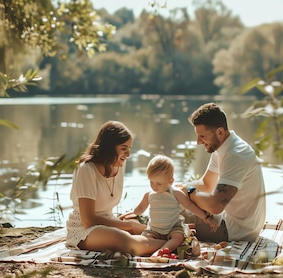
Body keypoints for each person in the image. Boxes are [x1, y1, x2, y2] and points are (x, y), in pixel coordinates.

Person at [65, 121, 165, 256]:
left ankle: (171, 239)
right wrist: (128, 226)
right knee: (122, 239)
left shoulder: (119, 165)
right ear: (109, 147)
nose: (128, 154)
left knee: (139, 224)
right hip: (84, 230)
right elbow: (88, 220)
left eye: (129, 148)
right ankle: (175, 246)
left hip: (109, 222)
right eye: (124, 148)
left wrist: (131, 224)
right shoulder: (86, 169)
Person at [181, 102, 266, 242]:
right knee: (174, 201)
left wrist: (190, 192)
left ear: (220, 132)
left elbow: (215, 206)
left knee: (170, 217)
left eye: (203, 136)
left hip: (236, 230)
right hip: (228, 221)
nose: (198, 142)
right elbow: (206, 183)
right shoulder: (222, 147)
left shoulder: (235, 156)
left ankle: (142, 236)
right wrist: (179, 188)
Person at [120, 155, 218, 257]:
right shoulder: (149, 195)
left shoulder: (175, 193)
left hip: (173, 228)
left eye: (158, 183)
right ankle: (157, 247)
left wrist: (206, 217)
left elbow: (190, 205)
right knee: (146, 238)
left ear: (170, 181)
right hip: (155, 229)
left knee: (178, 237)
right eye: (151, 182)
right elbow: (140, 208)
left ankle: (162, 250)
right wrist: (131, 213)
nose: (154, 186)